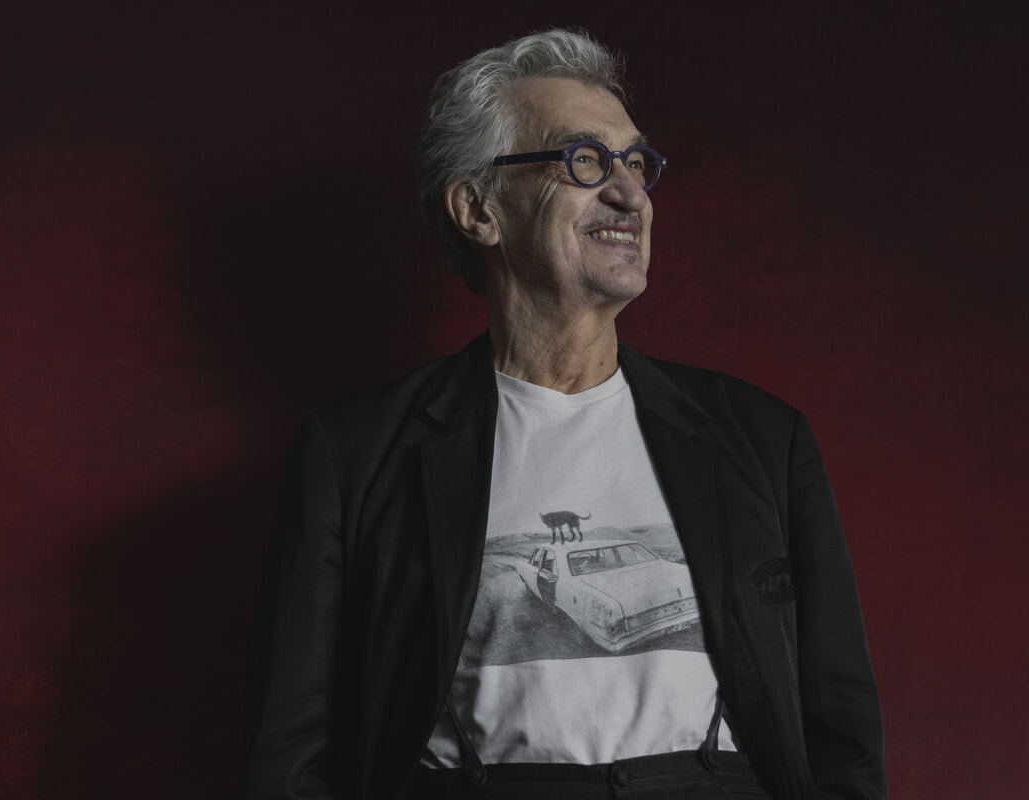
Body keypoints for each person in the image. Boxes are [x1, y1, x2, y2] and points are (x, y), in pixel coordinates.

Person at [240, 28, 886, 800]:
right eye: (585, 160)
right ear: (478, 208)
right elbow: (289, 752)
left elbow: (841, 726)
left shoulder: (762, 438)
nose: (630, 194)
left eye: (636, 163)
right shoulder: (354, 454)